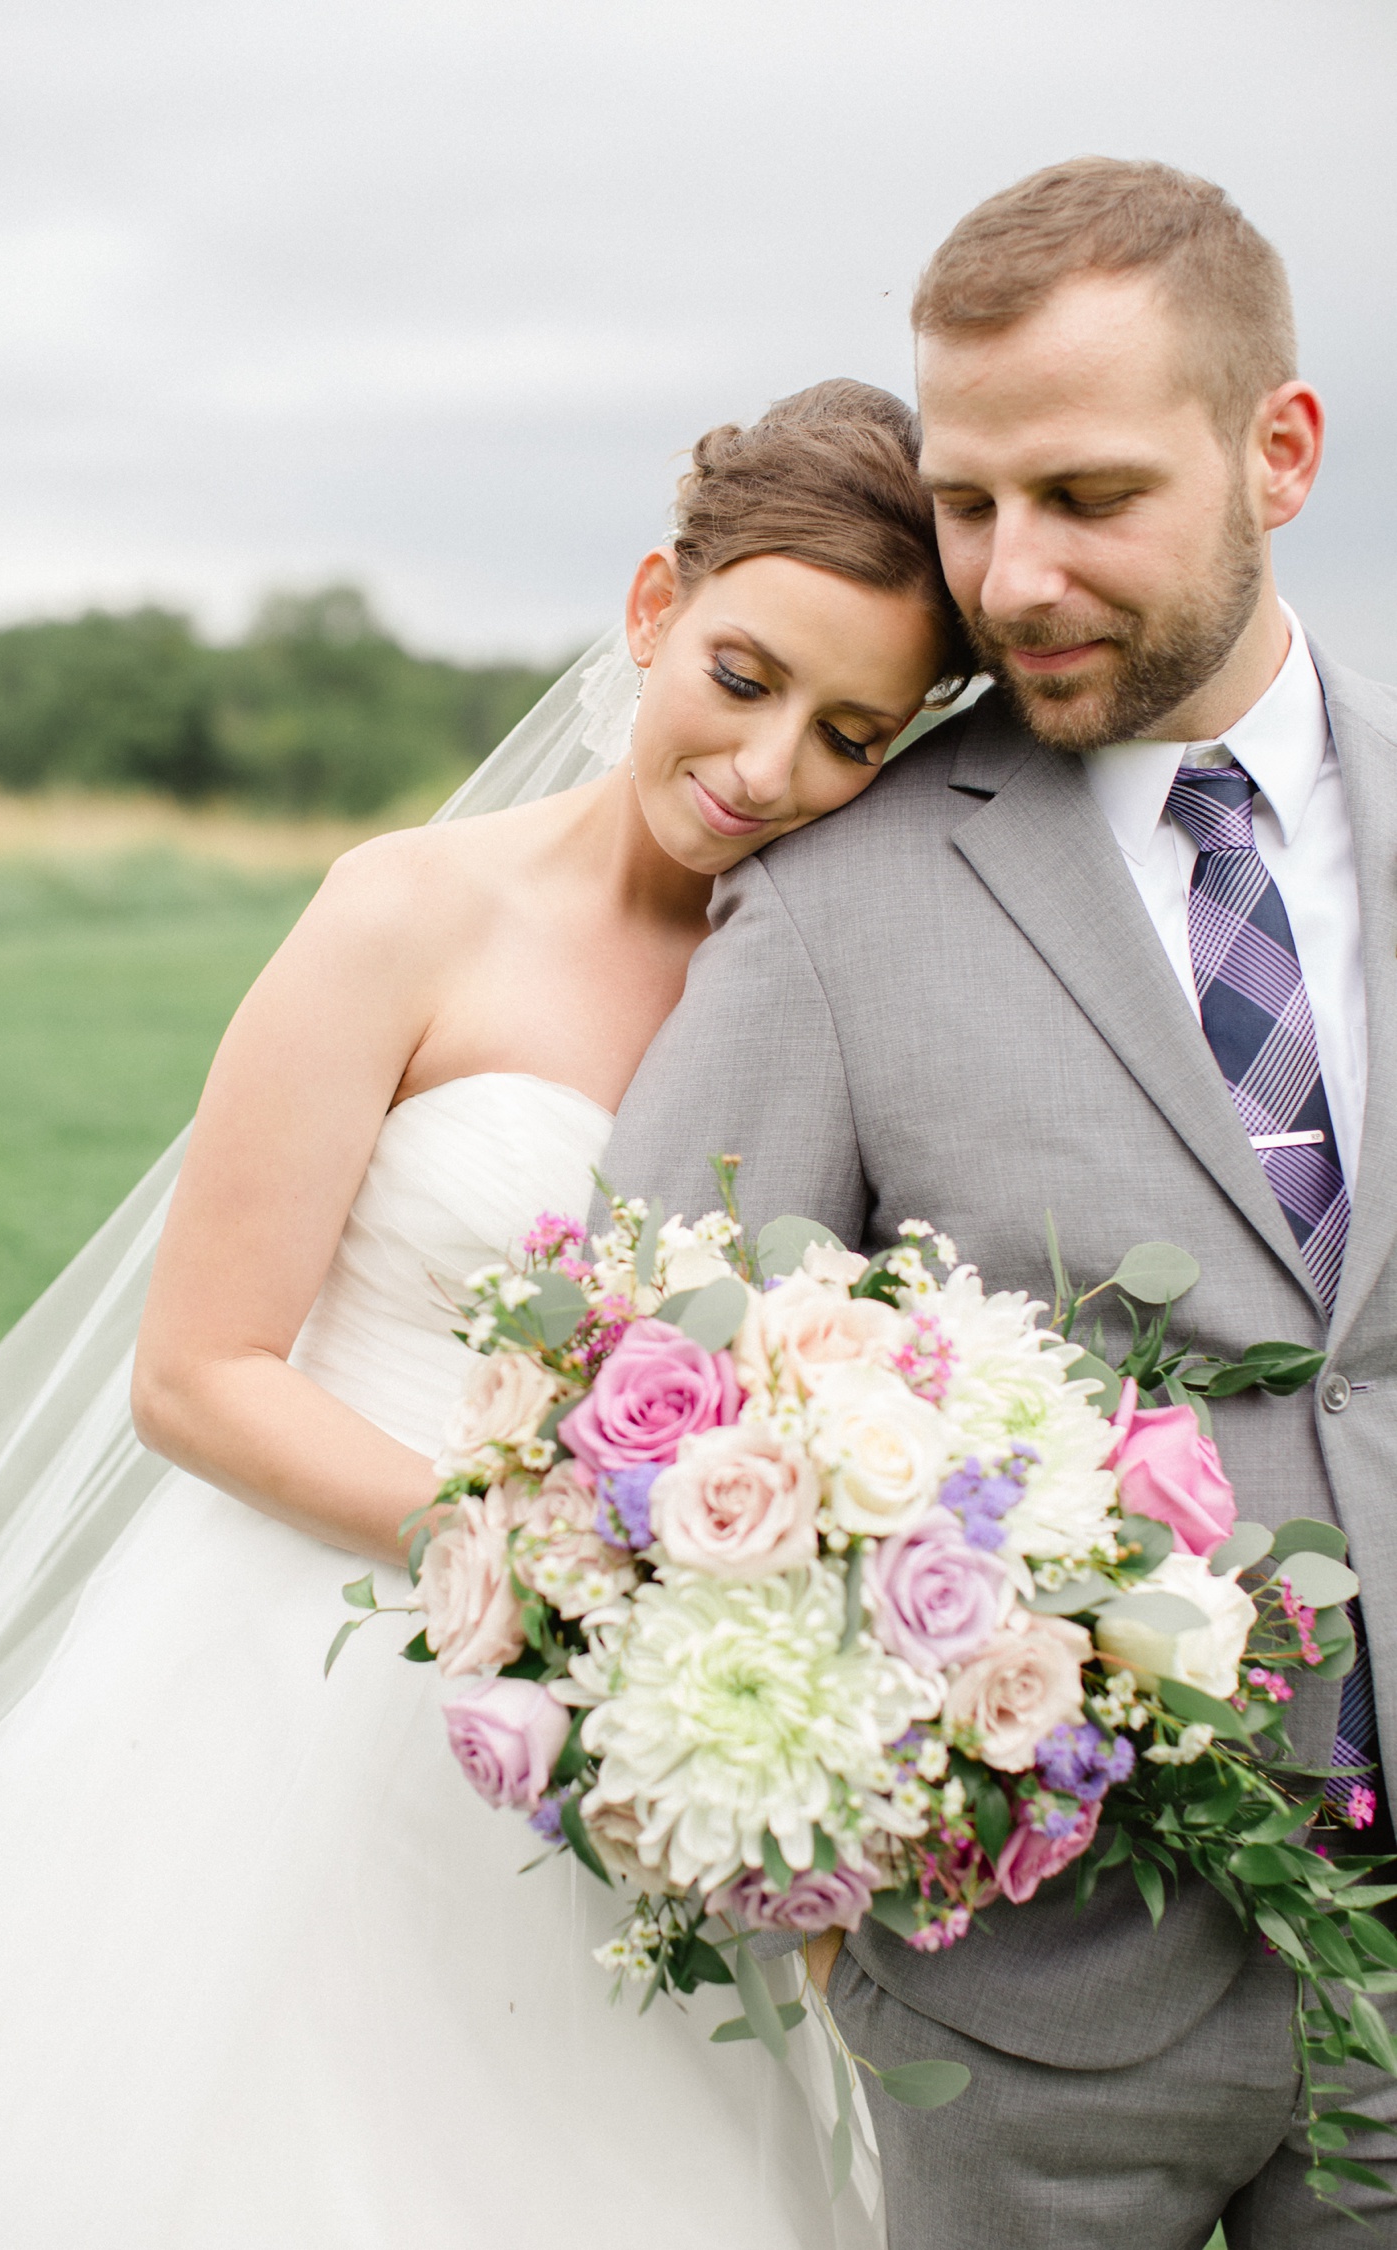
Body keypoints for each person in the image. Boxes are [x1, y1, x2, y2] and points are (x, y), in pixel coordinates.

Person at [0, 380, 963, 2249]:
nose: (771, 764)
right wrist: (538, 1571)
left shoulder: (816, 985)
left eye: (850, 733)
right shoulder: (403, 914)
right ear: (650, 605)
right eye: (741, 673)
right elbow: (197, 1370)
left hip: (640, 1745)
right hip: (299, 1676)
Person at [602, 159, 1397, 2248]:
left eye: (1088, 497)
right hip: (1042, 2032)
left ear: (1279, 451)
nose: (1014, 577)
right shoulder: (830, 909)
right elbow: (645, 1401)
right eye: (969, 505)